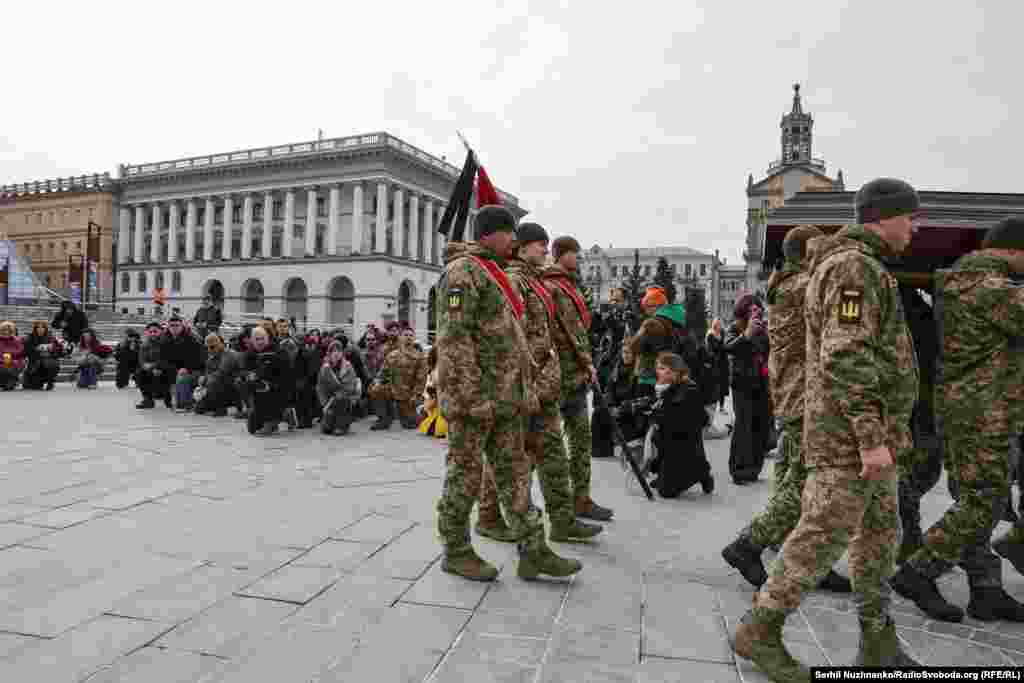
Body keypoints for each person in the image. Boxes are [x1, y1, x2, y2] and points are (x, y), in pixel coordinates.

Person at [733, 177, 922, 679]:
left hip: (870, 437)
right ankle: (760, 629)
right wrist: (870, 438)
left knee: (879, 539)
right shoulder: (852, 267)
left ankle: (878, 641)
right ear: (885, 216)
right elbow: (846, 352)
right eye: (910, 217)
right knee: (820, 534)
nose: (915, 228)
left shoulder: (862, 265)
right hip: (848, 441)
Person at [435, 205, 581, 582]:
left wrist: (524, 388)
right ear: (489, 234)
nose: (514, 240)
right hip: (474, 402)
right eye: (509, 233)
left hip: (504, 400)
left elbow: (511, 341)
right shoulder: (463, 272)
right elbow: (454, 339)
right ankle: (456, 550)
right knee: (464, 477)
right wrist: (471, 399)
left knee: (515, 475)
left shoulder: (494, 273)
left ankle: (533, 551)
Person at [891, 217, 1024, 624]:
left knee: (977, 498)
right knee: (984, 499)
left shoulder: (961, 282)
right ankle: (919, 570)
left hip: (967, 408)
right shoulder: (991, 288)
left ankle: (985, 589)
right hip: (985, 410)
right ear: (1013, 251)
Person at [721, 225, 852, 595]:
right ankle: (750, 545)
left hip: (799, 396)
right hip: (810, 398)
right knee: (808, 482)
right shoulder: (805, 286)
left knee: (796, 480)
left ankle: (803, 555)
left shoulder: (790, 285)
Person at [477, 222, 602, 544]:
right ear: (522, 247)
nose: (546, 250)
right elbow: (509, 336)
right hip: (526, 386)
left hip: (547, 384)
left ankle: (562, 521)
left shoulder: (536, 282)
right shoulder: (514, 281)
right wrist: (522, 382)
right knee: (512, 457)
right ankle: (489, 515)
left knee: (554, 456)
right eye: (540, 244)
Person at [543, 235, 614, 522]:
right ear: (561, 254)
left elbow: (580, 333)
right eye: (575, 253)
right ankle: (520, 503)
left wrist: (586, 363)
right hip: (557, 376)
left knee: (581, 443)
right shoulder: (551, 286)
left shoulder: (571, 285)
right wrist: (585, 362)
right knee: (544, 444)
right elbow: (561, 334)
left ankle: (581, 498)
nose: (580, 258)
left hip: (578, 375)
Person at [647, 352, 713, 498]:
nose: (659, 372)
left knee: (666, 492)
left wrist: (657, 414)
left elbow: (677, 418)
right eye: (658, 368)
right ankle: (666, 474)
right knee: (664, 486)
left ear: (675, 371)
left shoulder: (689, 389)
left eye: (663, 368)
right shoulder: (665, 385)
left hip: (684, 442)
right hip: (668, 440)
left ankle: (702, 473)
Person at [724, 295, 771, 484]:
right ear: (743, 311)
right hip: (742, 383)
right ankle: (738, 470)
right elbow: (728, 347)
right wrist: (747, 334)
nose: (755, 312)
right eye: (751, 309)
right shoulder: (735, 328)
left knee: (760, 425)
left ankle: (754, 469)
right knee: (743, 426)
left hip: (761, 382)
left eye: (757, 309)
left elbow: (768, 351)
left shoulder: (762, 329)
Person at [369, 328, 426, 430]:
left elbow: (421, 380)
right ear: (401, 337)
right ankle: (384, 419)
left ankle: (421, 416)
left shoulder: (420, 357)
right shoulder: (392, 355)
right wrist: (377, 382)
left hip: (408, 394)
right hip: (392, 389)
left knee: (409, 424)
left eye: (410, 335)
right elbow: (383, 373)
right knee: (376, 389)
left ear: (414, 338)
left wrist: (416, 395)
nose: (408, 337)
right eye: (406, 335)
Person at [241, 326, 290, 436]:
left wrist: (270, 383)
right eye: (257, 339)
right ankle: (285, 415)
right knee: (252, 428)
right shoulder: (249, 354)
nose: (260, 342)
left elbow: (286, 375)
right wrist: (249, 375)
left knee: (264, 389)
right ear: (252, 340)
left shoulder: (278, 351)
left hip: (277, 388)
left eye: (262, 338)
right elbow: (244, 371)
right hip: (257, 386)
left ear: (267, 338)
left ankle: (272, 421)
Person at [317, 341, 361, 435]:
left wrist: (339, 395)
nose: (336, 353)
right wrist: (325, 402)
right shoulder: (325, 368)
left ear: (342, 353)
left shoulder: (348, 366)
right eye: (333, 351)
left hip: (345, 398)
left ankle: (341, 426)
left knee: (341, 401)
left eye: (339, 351)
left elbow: (350, 386)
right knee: (326, 429)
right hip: (330, 401)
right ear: (329, 353)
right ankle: (329, 421)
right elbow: (320, 387)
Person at [162, 316, 205, 411]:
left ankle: (184, 404)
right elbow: (162, 359)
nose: (174, 328)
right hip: (173, 369)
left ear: (182, 326)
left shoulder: (191, 339)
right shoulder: (164, 340)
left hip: (193, 370)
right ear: (168, 327)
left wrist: (186, 368)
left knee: (182, 378)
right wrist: (175, 370)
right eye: (172, 325)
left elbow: (198, 359)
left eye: (177, 325)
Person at [135, 322, 173, 409]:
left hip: (165, 369)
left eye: (155, 331)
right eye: (150, 332)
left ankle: (168, 400)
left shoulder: (167, 342)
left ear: (161, 331)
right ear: (147, 332)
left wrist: (156, 367)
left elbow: (167, 358)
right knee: (139, 373)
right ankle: (148, 400)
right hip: (151, 370)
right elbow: (142, 361)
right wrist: (150, 368)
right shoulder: (144, 345)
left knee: (169, 371)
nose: (153, 334)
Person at [21, 320, 64, 390]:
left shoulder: (51, 338)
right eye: (38, 327)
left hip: (48, 362)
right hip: (34, 365)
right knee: (33, 386)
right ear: (35, 329)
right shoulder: (30, 338)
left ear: (45, 329)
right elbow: (25, 352)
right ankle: (33, 380)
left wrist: (51, 349)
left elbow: (59, 351)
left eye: (42, 327)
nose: (40, 329)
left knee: (52, 363)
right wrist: (36, 349)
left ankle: (50, 381)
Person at [705, 318, 729, 412]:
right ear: (714, 325)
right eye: (717, 324)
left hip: (723, 363)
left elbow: (725, 346)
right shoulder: (710, 335)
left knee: (723, 385)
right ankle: (713, 405)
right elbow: (711, 349)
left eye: (720, 324)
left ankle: (722, 407)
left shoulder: (722, 333)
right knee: (715, 385)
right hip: (715, 364)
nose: (719, 326)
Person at [0, 321, 25, 390]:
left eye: (8, 330)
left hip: (14, 362)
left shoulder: (17, 340)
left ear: (11, 331)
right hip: (2, 362)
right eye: (4, 330)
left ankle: (12, 381)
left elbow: (21, 352)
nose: (6, 332)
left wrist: (12, 359)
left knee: (13, 367)